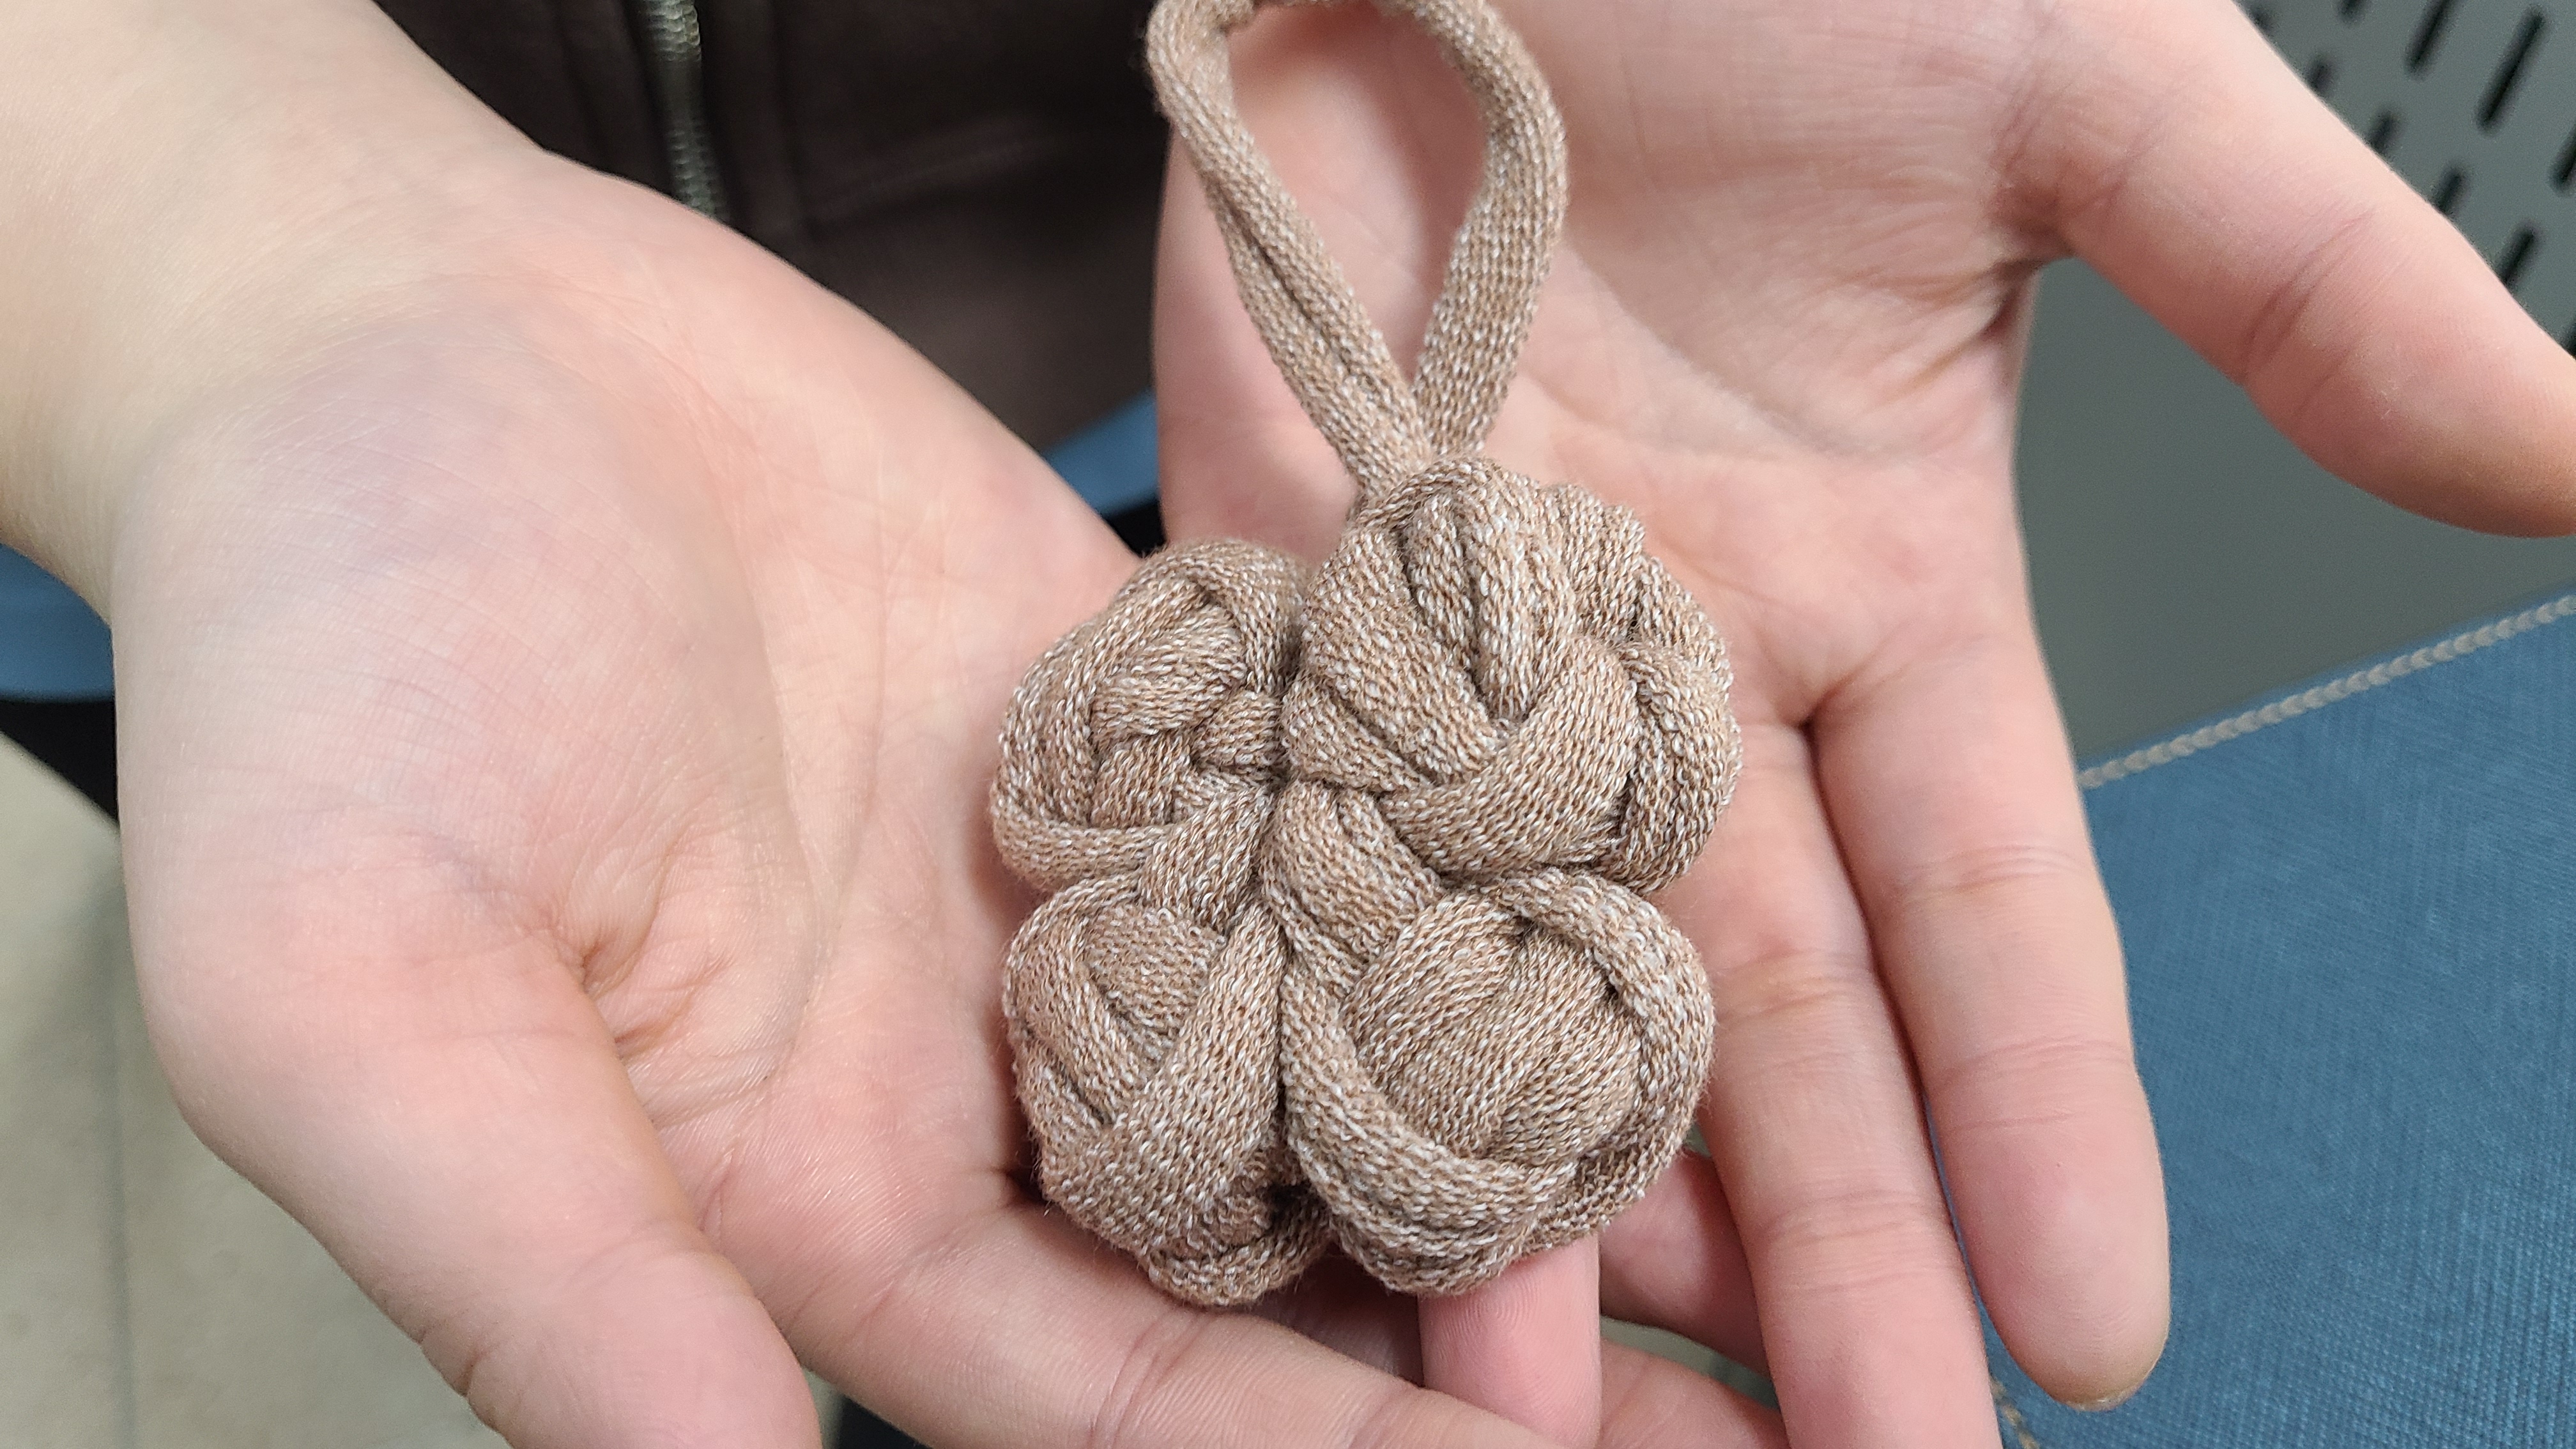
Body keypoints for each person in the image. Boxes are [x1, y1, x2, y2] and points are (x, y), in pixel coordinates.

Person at [4, 1, 2571, 1446]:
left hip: (1166, 351)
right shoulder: (1261, 769)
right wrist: (202, 241)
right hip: (266, 396)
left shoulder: (1331, 705)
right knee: (648, 1074)